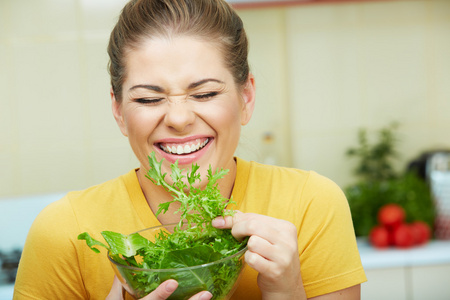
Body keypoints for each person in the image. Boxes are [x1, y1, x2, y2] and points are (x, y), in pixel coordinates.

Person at [13, 0, 367, 299]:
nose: (179, 118)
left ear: (246, 98)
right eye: (149, 98)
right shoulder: (62, 231)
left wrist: (287, 291)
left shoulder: (310, 204)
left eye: (205, 94)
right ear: (119, 111)